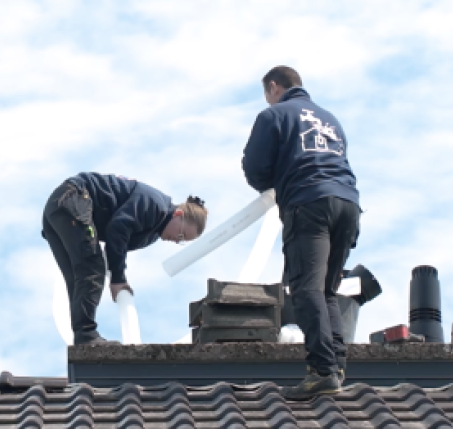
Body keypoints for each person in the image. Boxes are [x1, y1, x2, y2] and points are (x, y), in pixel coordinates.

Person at [242, 66, 361, 399]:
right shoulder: (330, 119)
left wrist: (272, 183)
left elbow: (254, 167)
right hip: (348, 204)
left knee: (305, 288)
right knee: (326, 290)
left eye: (267, 94)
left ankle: (322, 371)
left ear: (274, 87)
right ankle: (335, 366)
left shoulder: (275, 116)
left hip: (308, 204)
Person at [42, 171, 208, 345]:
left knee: (78, 278)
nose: (176, 240)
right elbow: (117, 231)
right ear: (178, 214)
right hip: (73, 198)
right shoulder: (155, 205)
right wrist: (118, 279)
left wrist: (116, 275)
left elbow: (115, 248)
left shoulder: (151, 233)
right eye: (181, 235)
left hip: (58, 209)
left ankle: (82, 335)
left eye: (182, 242)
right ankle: (86, 335)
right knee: (91, 268)